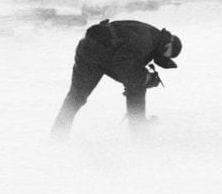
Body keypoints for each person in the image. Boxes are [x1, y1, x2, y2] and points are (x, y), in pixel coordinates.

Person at [51, 19, 183, 138]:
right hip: (102, 51)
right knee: (137, 83)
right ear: (168, 45)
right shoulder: (147, 40)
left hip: (88, 46)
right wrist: (146, 78)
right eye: (168, 55)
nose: (164, 58)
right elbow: (123, 64)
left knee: (76, 96)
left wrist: (142, 77)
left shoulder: (152, 35)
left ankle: (57, 136)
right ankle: (139, 132)